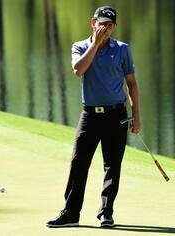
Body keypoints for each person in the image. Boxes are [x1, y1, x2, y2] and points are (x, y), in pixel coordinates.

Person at [47, 5, 140, 228]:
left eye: (110, 25)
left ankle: (106, 213)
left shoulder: (122, 49)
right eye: (102, 24)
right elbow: (79, 70)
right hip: (89, 115)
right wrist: (95, 45)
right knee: (78, 163)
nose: (106, 29)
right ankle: (71, 213)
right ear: (93, 23)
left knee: (112, 165)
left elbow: (132, 84)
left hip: (116, 115)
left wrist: (136, 116)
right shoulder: (79, 46)